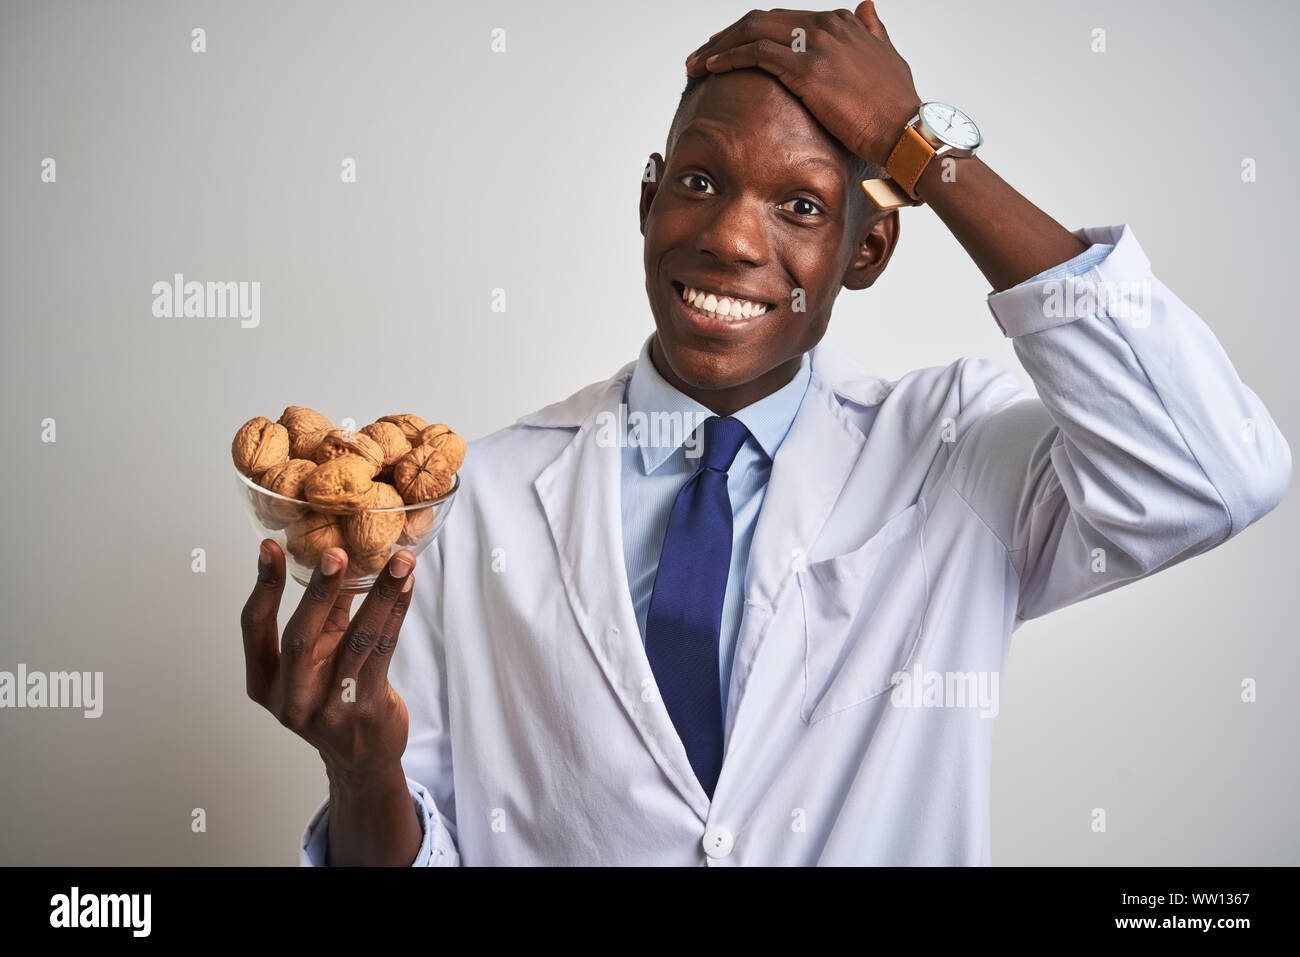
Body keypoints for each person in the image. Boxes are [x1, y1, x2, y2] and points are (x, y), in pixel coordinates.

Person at [240, 3, 1291, 865]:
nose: (733, 236)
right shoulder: (481, 504)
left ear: (867, 247)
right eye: (698, 181)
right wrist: (364, 773)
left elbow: (1213, 472)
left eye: (799, 204)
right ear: (648, 202)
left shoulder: (956, 457)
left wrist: (921, 144)